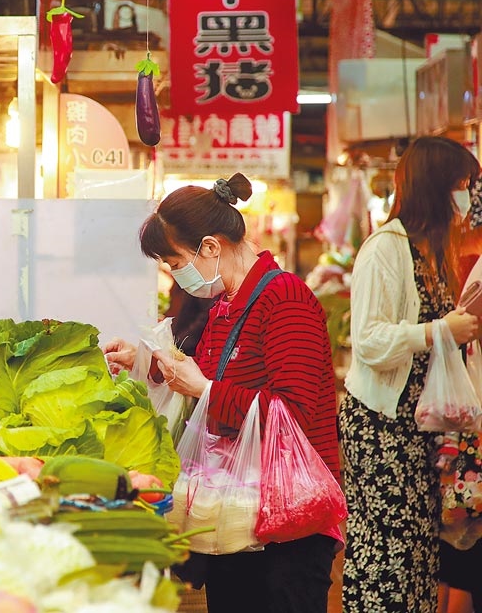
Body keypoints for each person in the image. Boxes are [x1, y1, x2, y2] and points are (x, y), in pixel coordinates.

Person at [104, 173, 341, 613]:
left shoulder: (286, 300)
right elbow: (212, 381)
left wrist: (207, 389)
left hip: (286, 526)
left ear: (210, 248)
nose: (175, 275)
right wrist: (149, 364)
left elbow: (296, 415)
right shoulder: (228, 306)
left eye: (174, 262)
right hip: (240, 516)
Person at [340, 135, 480, 613]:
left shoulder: (429, 254)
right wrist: (440, 330)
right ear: (435, 188)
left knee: (419, 555)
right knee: (388, 556)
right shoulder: (385, 250)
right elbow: (371, 341)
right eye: (461, 185)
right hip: (381, 429)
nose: (467, 197)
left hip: (416, 429)